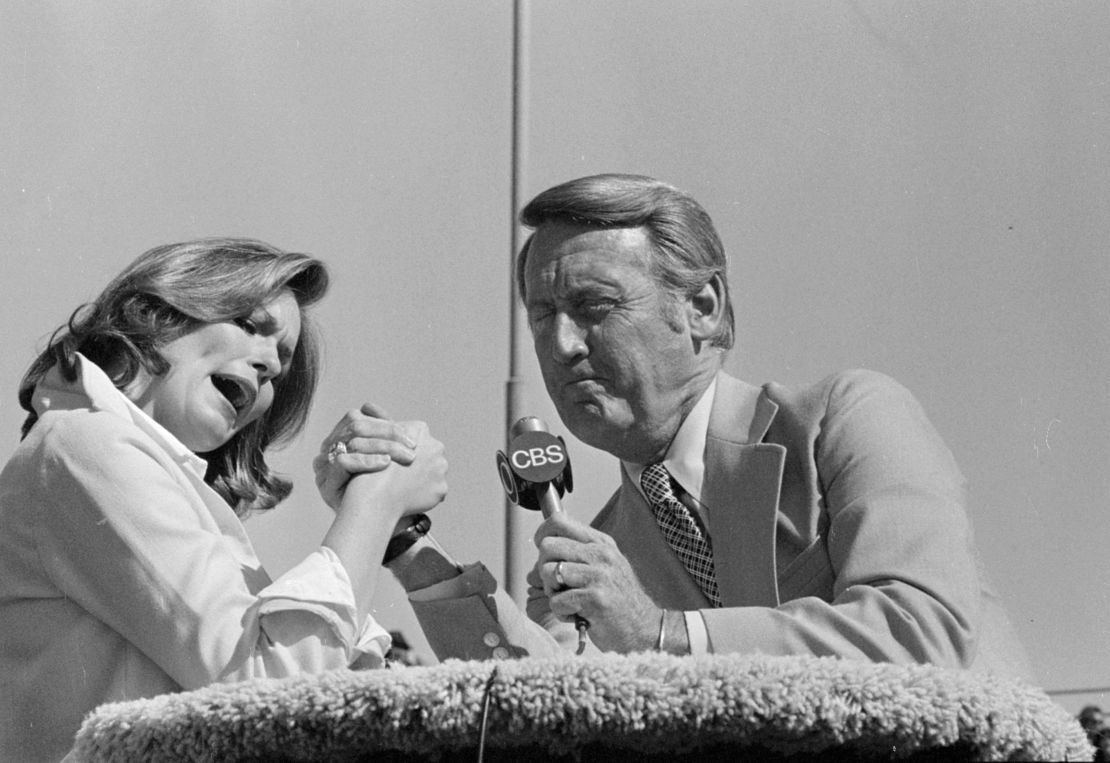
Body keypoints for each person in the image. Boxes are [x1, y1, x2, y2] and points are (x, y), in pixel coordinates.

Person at [321, 173, 1030, 678]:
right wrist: (402, 540)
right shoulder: (601, 547)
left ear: (703, 307)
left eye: (594, 305)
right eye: (543, 317)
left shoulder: (847, 418)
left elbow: (920, 633)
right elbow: (532, 709)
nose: (562, 346)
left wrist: (661, 633)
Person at [0, 238, 448, 762]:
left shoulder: (150, 478)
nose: (267, 366)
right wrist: (374, 502)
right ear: (155, 316)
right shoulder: (84, 444)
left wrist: (380, 521)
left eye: (280, 366)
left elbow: (327, 696)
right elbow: (270, 692)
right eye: (250, 325)